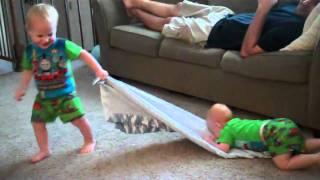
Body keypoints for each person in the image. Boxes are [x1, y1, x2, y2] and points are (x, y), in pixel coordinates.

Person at [15, 3, 109, 163]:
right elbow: (28, 70)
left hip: (66, 94)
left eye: (50, 33)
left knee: (78, 119)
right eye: (39, 35)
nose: (45, 39)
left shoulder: (63, 45)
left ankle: (89, 140)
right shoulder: (30, 52)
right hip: (44, 96)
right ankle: (44, 150)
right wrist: (22, 88)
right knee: (37, 123)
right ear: (29, 32)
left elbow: (83, 54)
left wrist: (98, 70)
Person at [122, 0, 320, 57]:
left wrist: (262, 8)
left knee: (167, 23)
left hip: (214, 32)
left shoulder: (292, 30)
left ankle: (134, 11)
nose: (303, 1)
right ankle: (134, 2)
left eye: (310, 2)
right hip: (226, 14)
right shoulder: (293, 6)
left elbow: (247, 51)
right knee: (177, 8)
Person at [203, 103, 320, 170]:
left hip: (273, 132)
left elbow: (223, 149)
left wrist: (209, 141)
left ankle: (317, 158)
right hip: (280, 123)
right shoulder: (236, 123)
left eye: (213, 131)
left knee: (284, 164)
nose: (216, 136)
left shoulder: (226, 130)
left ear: (218, 125)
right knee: (301, 145)